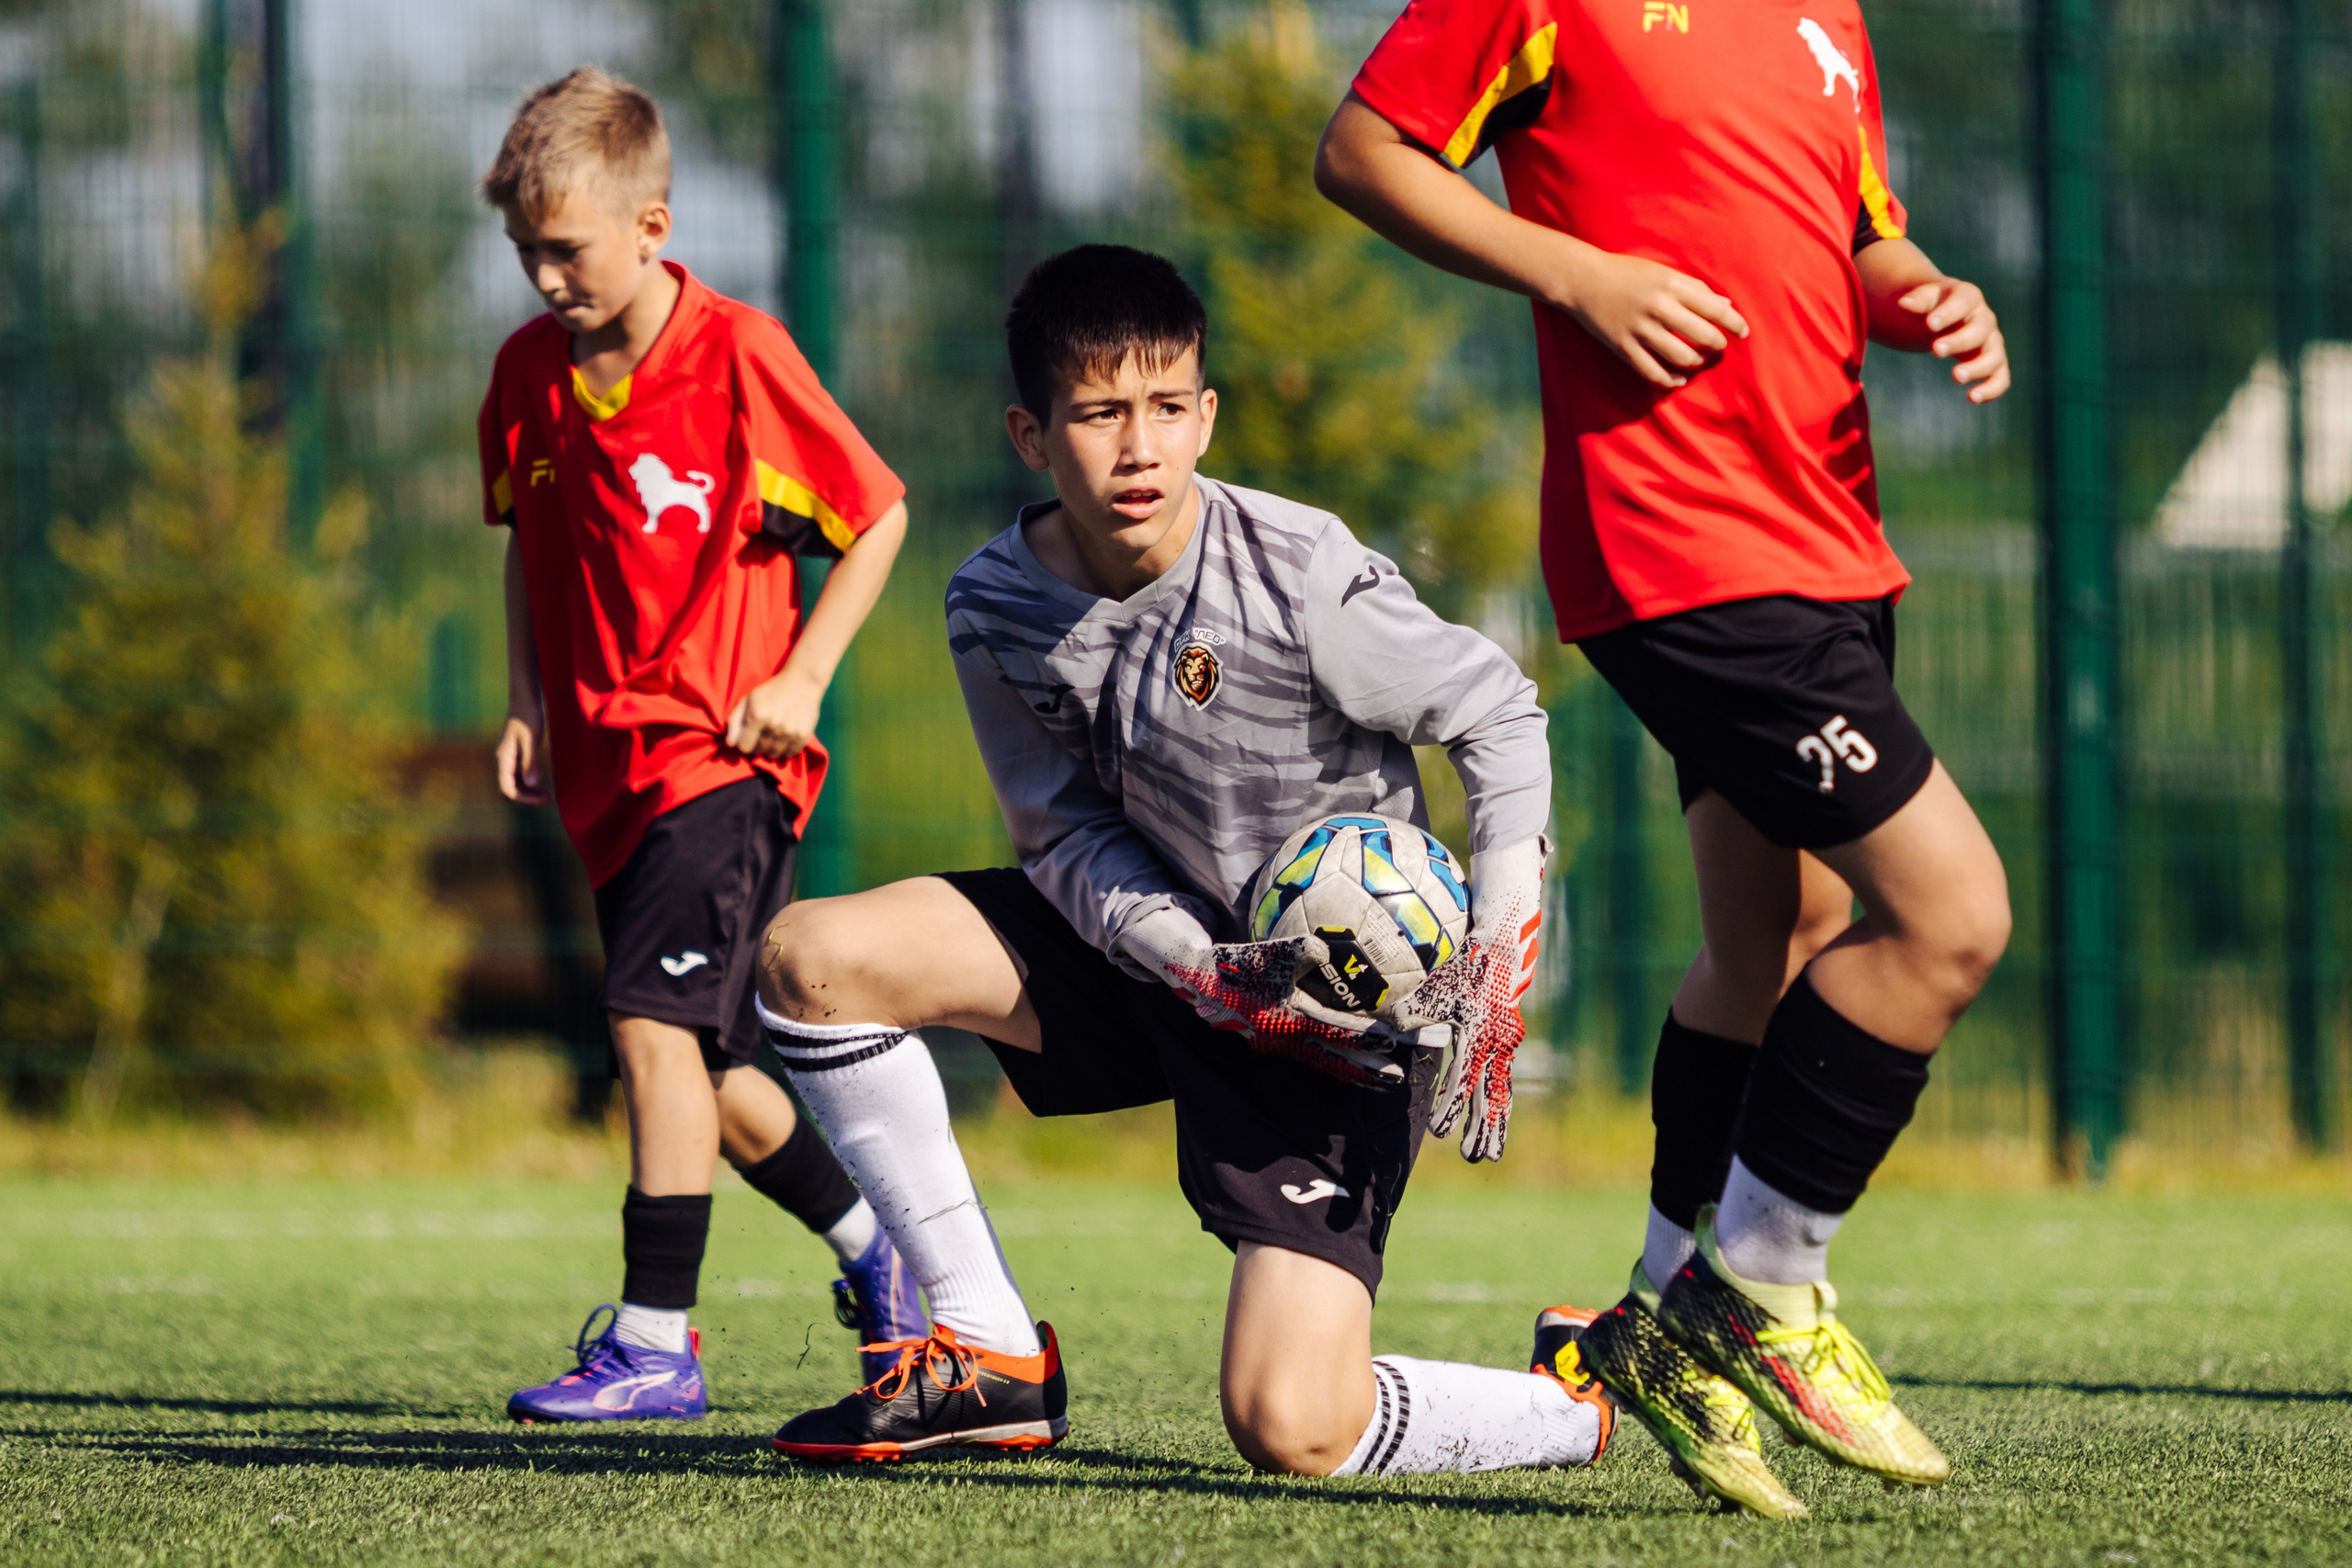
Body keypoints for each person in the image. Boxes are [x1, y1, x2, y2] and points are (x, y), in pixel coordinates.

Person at [1315, 0, 2015, 1517]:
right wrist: (1578, 275)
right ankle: (1752, 1290)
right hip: (1688, 549)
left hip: (1829, 542)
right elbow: (1363, 150)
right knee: (1950, 914)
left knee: (1783, 933)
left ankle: (1649, 1313)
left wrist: (1927, 295)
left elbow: (1859, 237)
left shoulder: (1830, 20)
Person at [753, 243, 1615, 1476]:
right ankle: (987, 1355)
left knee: (1293, 1428)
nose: (1139, 446)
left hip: (1335, 1011)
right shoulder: (993, 602)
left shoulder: (1299, 573)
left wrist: (1499, 948)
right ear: (1032, 434)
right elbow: (1059, 832)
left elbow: (1498, 713)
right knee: (812, 958)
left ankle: (1572, 1400)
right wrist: (1199, 964)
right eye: (1100, 413)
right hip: (1156, 951)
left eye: (1167, 408)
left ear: (1207, 418)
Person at [476, 67, 923, 1422]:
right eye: (524, 250)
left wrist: (800, 674)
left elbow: (880, 514)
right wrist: (526, 699)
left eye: (568, 248)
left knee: (647, 1032)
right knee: (712, 1078)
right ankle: (883, 1260)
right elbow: (525, 556)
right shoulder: (525, 380)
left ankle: (655, 1341)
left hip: (722, 762)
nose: (545, 275)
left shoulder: (737, 356)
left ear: (653, 225)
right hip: (608, 774)